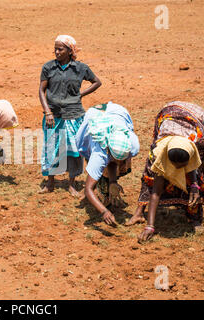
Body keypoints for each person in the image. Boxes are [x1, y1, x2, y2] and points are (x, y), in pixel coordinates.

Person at [126, 101, 204, 242]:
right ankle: (139, 213)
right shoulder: (159, 154)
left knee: (197, 177)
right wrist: (150, 226)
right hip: (167, 115)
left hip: (194, 115)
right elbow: (156, 192)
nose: (179, 169)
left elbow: (193, 168)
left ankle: (194, 218)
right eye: (175, 165)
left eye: (183, 165)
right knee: (150, 176)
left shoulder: (198, 143)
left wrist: (194, 186)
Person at [39, 35, 102, 197]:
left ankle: (72, 184)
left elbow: (97, 82)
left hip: (74, 115)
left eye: (60, 49)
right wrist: (48, 112)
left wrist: (81, 94)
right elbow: (41, 91)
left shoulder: (80, 68)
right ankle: (50, 183)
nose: (56, 52)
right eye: (55, 48)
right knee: (51, 149)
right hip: (53, 116)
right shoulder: (48, 67)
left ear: (70, 50)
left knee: (74, 150)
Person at [75, 102, 140, 225]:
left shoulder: (132, 144)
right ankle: (102, 194)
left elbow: (113, 161)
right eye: (116, 160)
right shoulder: (99, 154)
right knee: (96, 171)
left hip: (117, 112)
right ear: (108, 151)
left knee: (117, 166)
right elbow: (88, 189)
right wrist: (104, 211)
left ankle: (108, 187)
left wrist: (113, 182)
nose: (119, 163)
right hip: (94, 116)